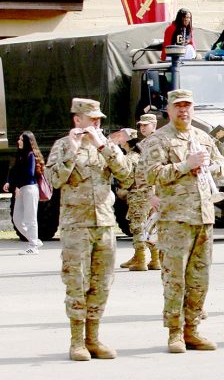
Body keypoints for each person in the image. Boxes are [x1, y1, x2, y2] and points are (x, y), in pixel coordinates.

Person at [45, 98, 132, 361]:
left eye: (99, 119)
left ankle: (93, 338)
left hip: (104, 224)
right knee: (76, 283)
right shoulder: (62, 146)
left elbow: (127, 174)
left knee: (102, 283)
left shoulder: (105, 146)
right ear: (77, 120)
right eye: (92, 119)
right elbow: (54, 181)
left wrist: (105, 147)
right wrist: (72, 150)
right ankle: (76, 342)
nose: (97, 123)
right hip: (76, 226)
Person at [142, 89, 224, 353]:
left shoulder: (203, 137)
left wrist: (210, 166)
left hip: (204, 216)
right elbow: (152, 174)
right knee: (174, 278)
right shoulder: (159, 139)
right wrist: (185, 165)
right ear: (169, 109)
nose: (183, 111)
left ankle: (193, 329)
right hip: (175, 218)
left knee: (200, 278)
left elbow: (223, 166)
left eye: (188, 106)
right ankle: (175, 333)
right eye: (178, 106)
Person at [118, 115, 160, 271]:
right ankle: (155, 259)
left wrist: (123, 189)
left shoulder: (132, 156)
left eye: (145, 125)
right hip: (152, 193)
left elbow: (129, 178)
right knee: (151, 225)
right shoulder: (144, 149)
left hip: (139, 194)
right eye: (141, 125)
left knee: (138, 226)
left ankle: (140, 258)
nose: (142, 127)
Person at [4, 131, 45, 254]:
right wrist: (9, 182)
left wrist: (17, 186)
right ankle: (35, 240)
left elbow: (29, 173)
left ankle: (33, 247)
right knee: (17, 219)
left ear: (27, 141)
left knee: (30, 218)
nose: (18, 141)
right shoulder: (19, 155)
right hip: (21, 189)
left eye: (21, 139)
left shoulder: (31, 155)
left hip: (29, 189)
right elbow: (13, 171)